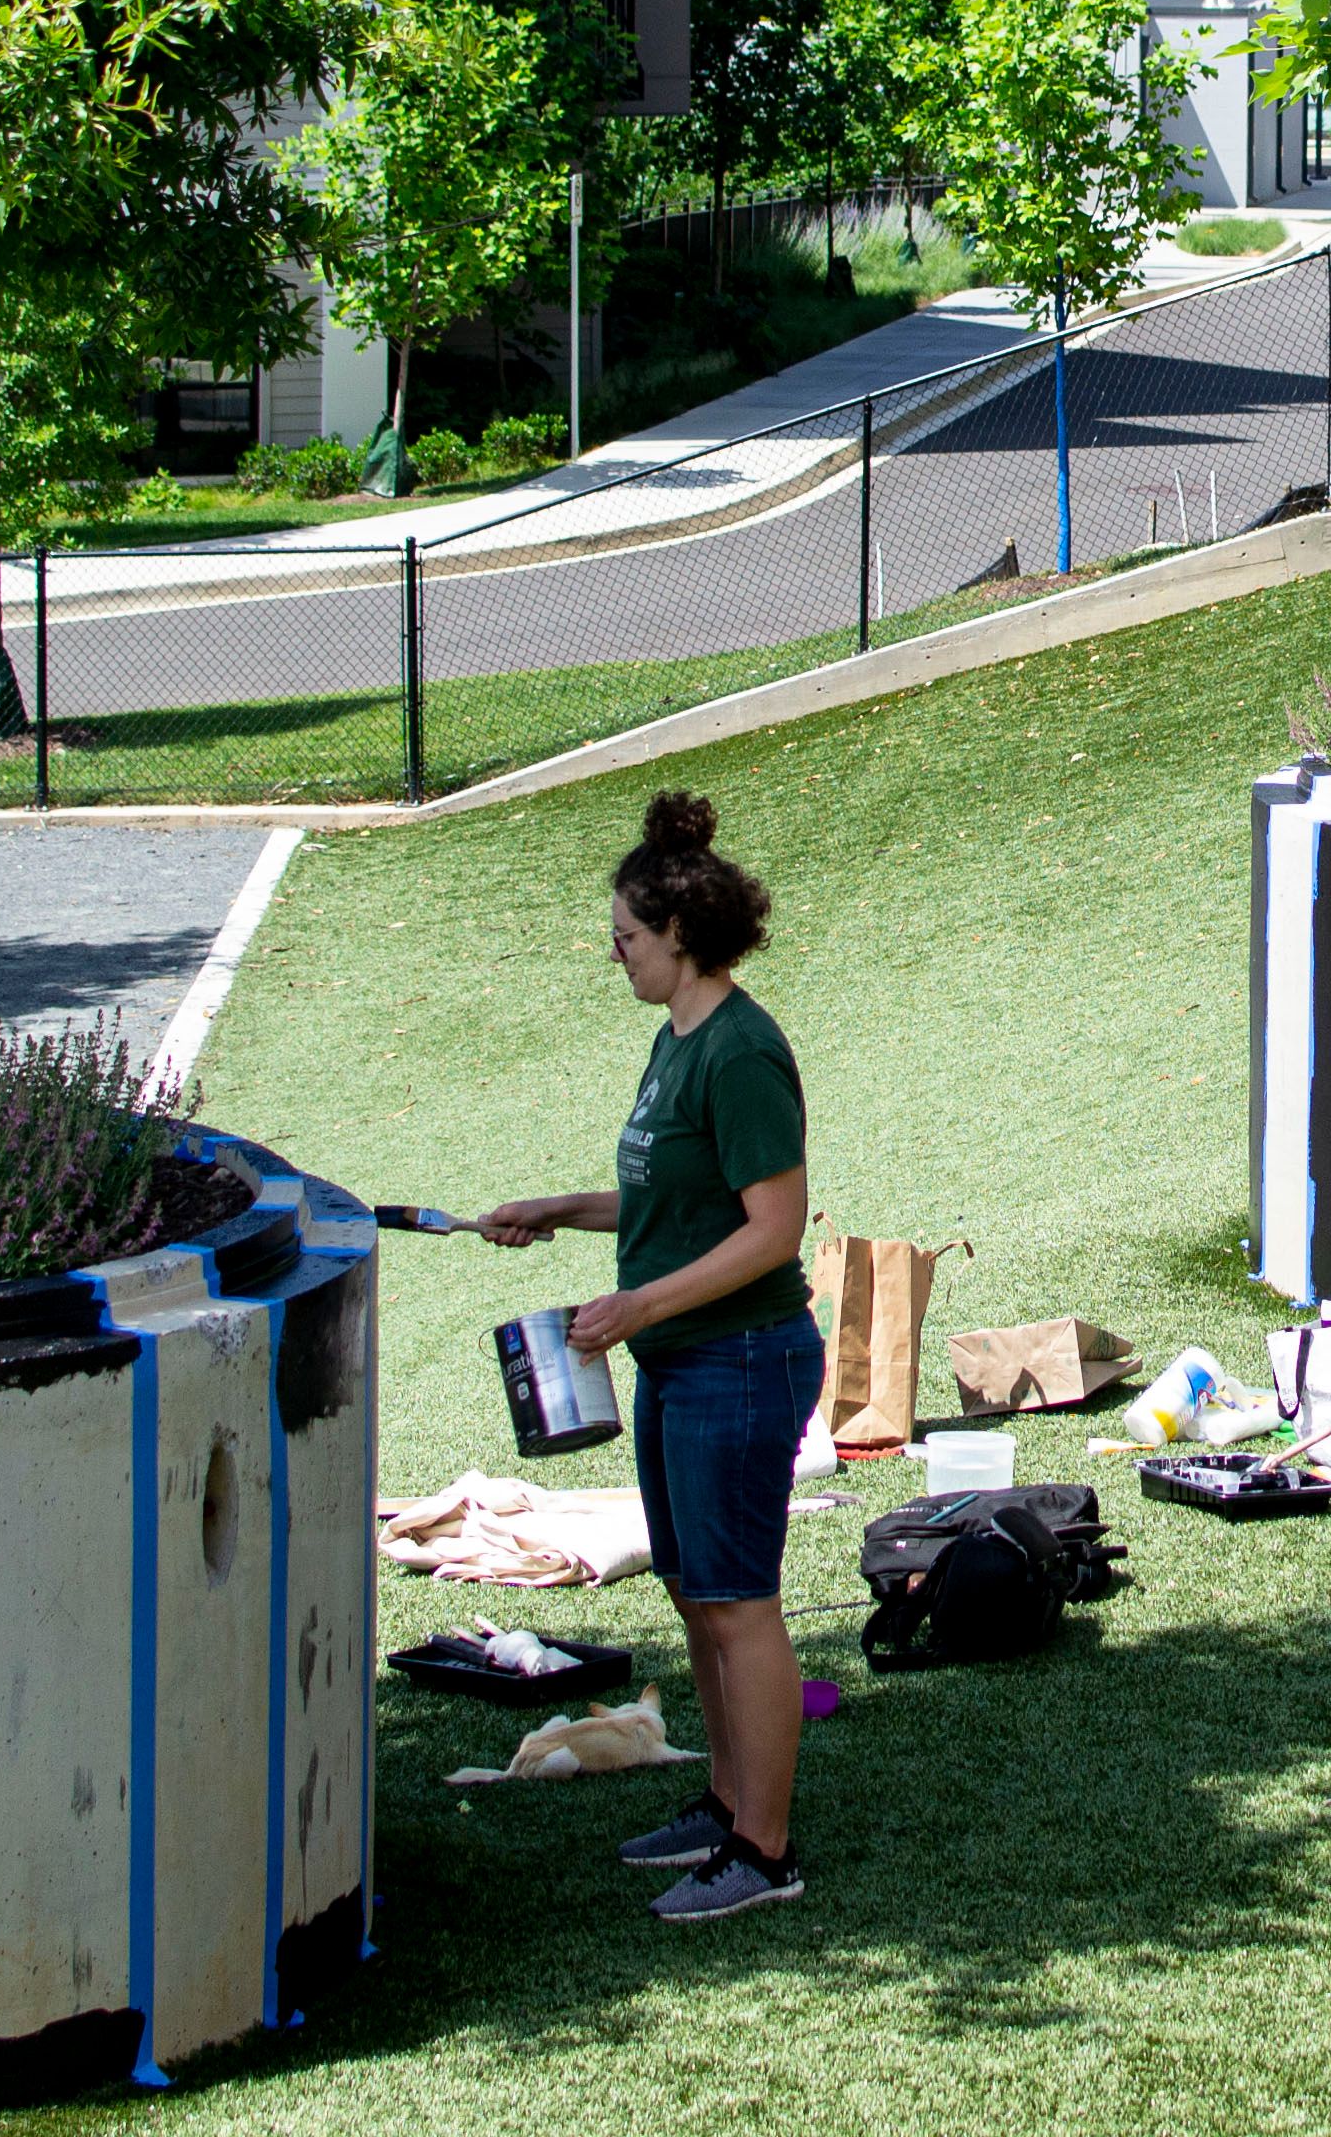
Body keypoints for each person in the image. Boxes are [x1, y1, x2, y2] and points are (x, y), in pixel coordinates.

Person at [473, 791, 823, 1917]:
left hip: (741, 1358)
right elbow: (667, 1195)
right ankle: (723, 1805)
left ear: (680, 936)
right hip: (678, 1361)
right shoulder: (672, 1042)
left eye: (626, 935)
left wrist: (634, 1307)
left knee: (738, 1602)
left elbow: (772, 1227)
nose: (614, 951)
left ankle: (763, 1853)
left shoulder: (741, 1053)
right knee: (693, 1592)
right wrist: (559, 1206)